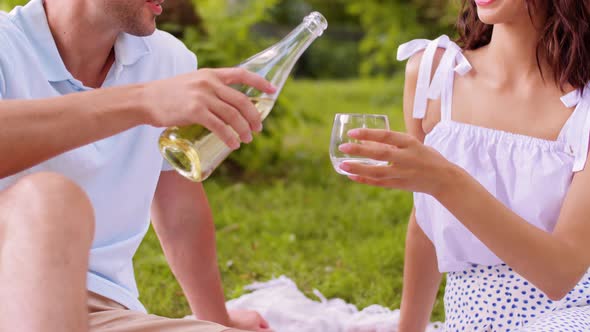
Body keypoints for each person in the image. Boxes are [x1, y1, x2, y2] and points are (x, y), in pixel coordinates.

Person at [0, 0, 276, 331]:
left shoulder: (167, 61)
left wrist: (217, 320)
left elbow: (180, 210)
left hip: (101, 313)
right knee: (50, 200)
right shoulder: (6, 44)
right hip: (12, 285)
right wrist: (142, 101)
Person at [337, 0, 590, 331]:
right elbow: (425, 221)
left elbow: (560, 275)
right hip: (470, 318)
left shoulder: (583, 104)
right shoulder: (432, 73)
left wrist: (445, 181)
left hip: (571, 313)